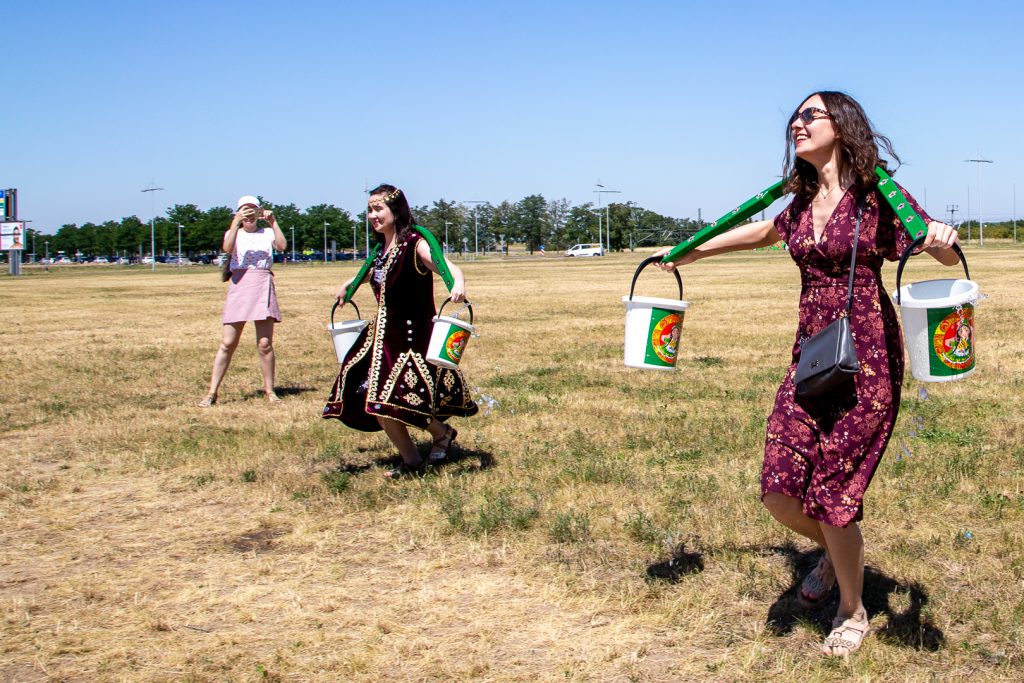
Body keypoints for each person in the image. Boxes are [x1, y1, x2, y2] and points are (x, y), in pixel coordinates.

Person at [654, 91, 961, 656]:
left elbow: (932, 246)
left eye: (811, 115)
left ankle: (852, 609)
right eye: (796, 117)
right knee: (779, 490)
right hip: (813, 354)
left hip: (867, 356)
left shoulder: (876, 196)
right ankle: (836, 553)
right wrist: (693, 251)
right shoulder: (799, 201)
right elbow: (762, 233)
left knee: (835, 491)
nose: (798, 123)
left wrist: (943, 237)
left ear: (841, 127)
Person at [323, 184, 478, 478]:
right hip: (382, 336)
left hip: (410, 337)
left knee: (395, 400)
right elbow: (372, 273)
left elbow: (449, 268)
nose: (372, 215)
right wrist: (348, 284)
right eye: (369, 210)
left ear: (396, 209)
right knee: (372, 399)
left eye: (378, 209)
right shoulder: (381, 250)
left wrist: (458, 284)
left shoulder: (415, 244)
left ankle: (440, 434)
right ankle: (415, 457)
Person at [198, 195, 287, 407]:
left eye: (253, 210)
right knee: (228, 343)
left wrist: (273, 222)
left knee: (264, 344)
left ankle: (270, 391)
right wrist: (235, 222)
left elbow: (282, 246)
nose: (249, 214)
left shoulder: (266, 233)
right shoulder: (234, 233)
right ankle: (211, 392)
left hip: (262, 284)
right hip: (240, 286)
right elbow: (227, 248)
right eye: (244, 210)